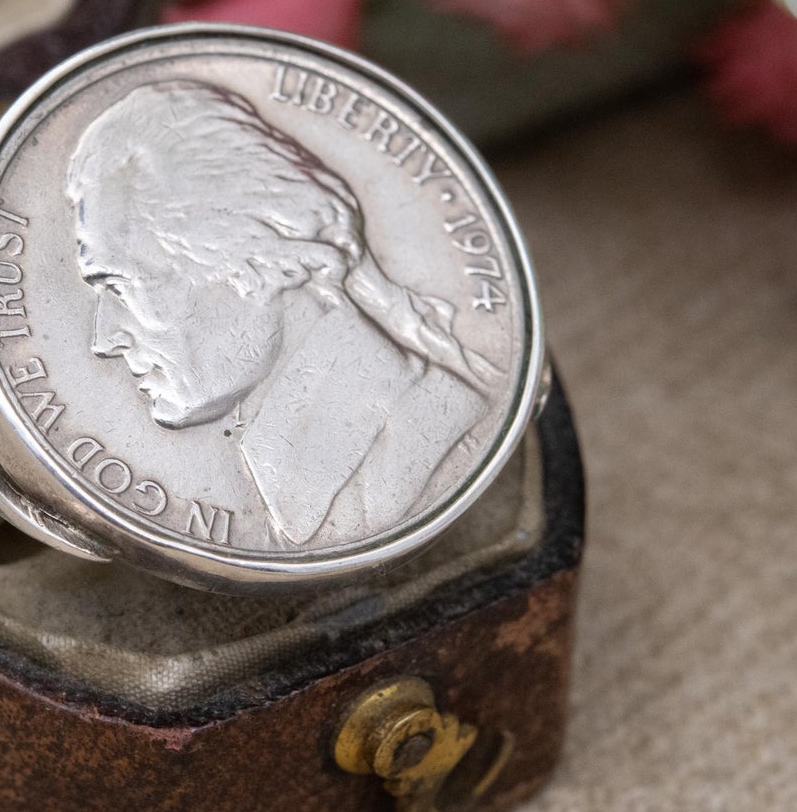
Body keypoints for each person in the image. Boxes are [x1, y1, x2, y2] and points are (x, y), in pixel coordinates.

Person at [65, 79, 495, 547]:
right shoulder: (301, 476)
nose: (104, 340)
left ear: (264, 263)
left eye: (124, 288)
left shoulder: (420, 439)